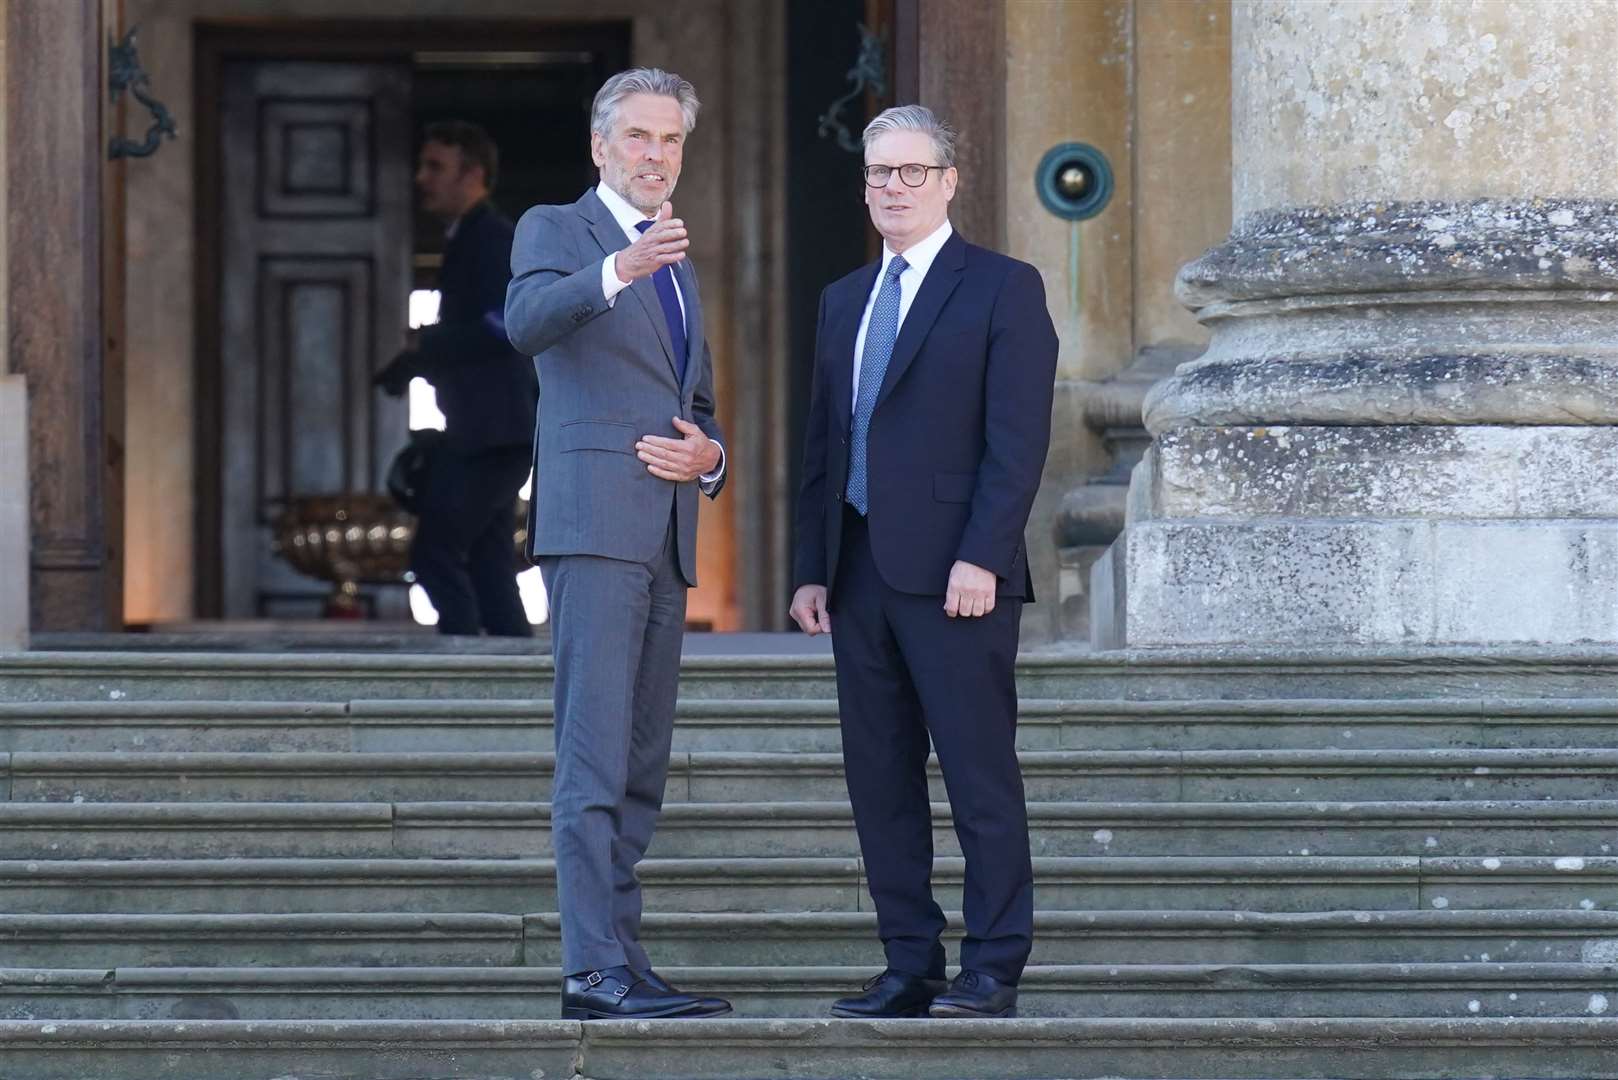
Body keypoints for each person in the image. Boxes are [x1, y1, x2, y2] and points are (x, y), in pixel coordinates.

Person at [789, 104, 1058, 1019]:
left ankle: (993, 967)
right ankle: (910, 961)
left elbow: (1017, 443)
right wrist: (809, 567)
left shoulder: (1003, 287)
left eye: (910, 173)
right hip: (858, 571)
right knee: (880, 781)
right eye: (878, 175)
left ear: (949, 181)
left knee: (980, 777)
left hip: (958, 578)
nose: (892, 189)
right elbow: (824, 445)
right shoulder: (841, 300)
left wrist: (983, 555)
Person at [504, 68, 731, 1021]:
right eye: (638, 137)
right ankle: (589, 972)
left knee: (639, 768)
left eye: (671, 140)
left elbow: (698, 405)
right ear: (601, 147)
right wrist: (620, 269)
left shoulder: (676, 258)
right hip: (594, 528)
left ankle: (624, 961)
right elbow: (525, 323)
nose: (655, 155)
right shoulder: (558, 230)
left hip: (668, 536)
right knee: (591, 761)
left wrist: (711, 460)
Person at [376, 121, 537, 637]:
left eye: (436, 168)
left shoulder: (491, 237)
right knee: (489, 564)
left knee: (435, 554)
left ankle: (461, 678)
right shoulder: (470, 236)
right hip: (489, 432)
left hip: (491, 435)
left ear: (473, 175)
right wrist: (416, 359)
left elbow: (506, 320)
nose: (422, 178)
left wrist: (428, 344)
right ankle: (514, 688)